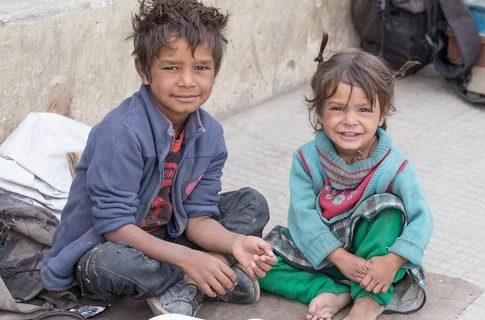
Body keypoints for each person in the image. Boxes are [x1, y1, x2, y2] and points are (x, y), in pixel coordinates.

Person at [41, 0, 276, 317]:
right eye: (171, 67)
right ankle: (205, 278)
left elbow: (197, 218)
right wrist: (189, 260)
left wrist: (233, 242)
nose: (187, 81)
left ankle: (200, 278)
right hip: (112, 246)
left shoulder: (210, 134)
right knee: (106, 265)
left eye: (201, 68)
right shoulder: (121, 132)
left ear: (216, 71)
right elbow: (114, 226)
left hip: (169, 237)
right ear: (143, 69)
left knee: (252, 203)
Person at [258, 44, 434, 320]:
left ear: (383, 113)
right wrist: (340, 258)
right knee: (259, 264)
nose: (350, 121)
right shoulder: (306, 159)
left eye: (364, 110)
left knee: (388, 209)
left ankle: (369, 300)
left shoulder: (394, 165)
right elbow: (303, 218)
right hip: (321, 255)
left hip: (373, 264)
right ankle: (329, 290)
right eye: (338, 108)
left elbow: (421, 219)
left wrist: (392, 261)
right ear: (319, 111)